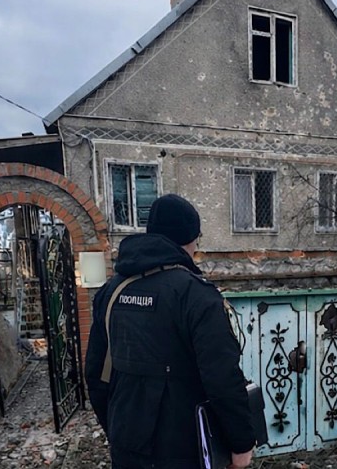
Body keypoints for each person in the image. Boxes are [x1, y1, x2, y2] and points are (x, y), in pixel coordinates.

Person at [85, 194, 255, 469]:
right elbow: (222, 377)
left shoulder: (111, 291)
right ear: (190, 239)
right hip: (184, 450)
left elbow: (96, 373)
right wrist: (241, 443)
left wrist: (116, 428)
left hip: (127, 445)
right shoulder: (196, 295)